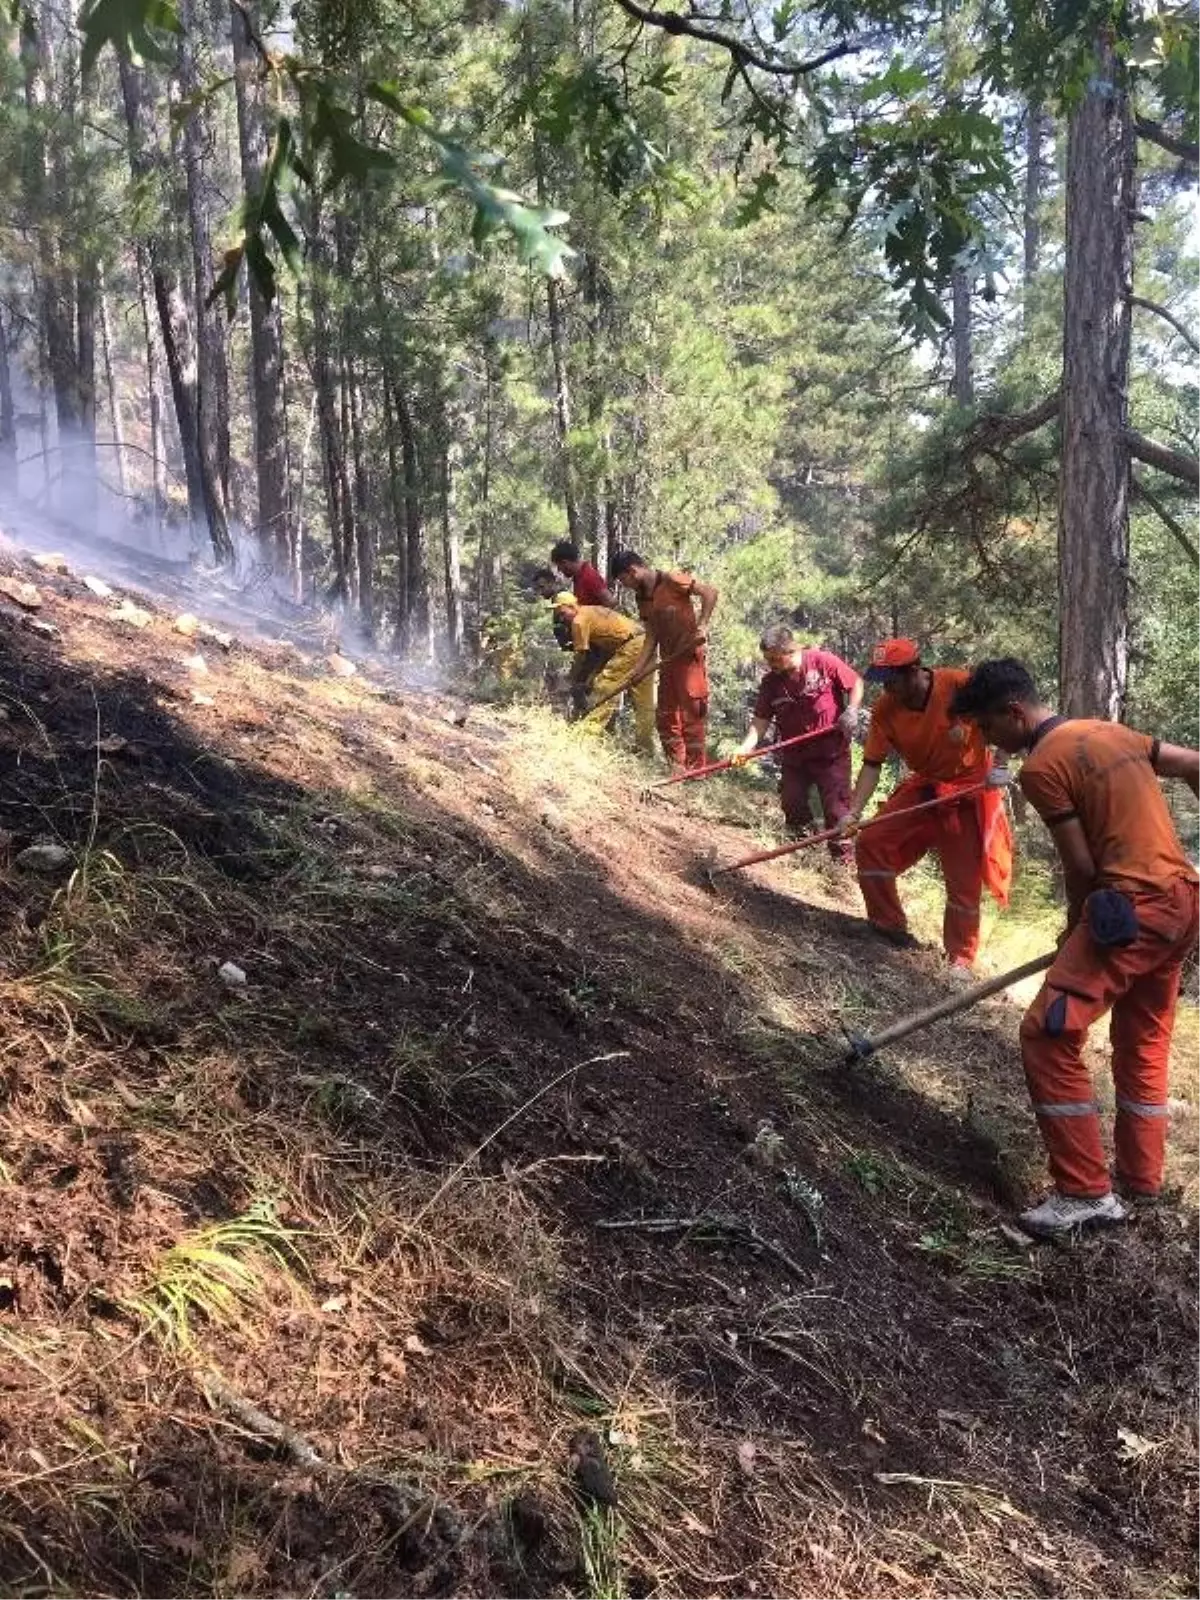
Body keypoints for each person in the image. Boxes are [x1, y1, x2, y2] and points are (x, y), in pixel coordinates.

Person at [950, 658, 1200, 1236]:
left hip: (1132, 910)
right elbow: (1194, 764)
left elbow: (1081, 867)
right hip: (1183, 903)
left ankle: (1085, 1193)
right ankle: (1142, 1184)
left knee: (1047, 1032)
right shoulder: (1112, 732)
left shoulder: (1043, 765)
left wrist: (1073, 932)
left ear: (1014, 712)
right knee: (1142, 1043)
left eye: (988, 729)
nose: (991, 743)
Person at [842, 638, 1013, 968]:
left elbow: (1003, 712)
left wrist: (1002, 766)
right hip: (926, 785)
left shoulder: (957, 685)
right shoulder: (885, 710)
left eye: (892, 680)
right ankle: (886, 924)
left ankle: (960, 960)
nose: (887, 689)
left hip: (969, 790)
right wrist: (853, 811)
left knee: (963, 882)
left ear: (913, 672)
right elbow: (872, 764)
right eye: (882, 681)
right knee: (873, 841)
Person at [731, 625, 863, 863]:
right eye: (767, 659)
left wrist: (852, 710)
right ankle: (805, 849)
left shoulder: (823, 661)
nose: (770, 664)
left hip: (831, 753)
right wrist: (745, 747)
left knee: (837, 810)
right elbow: (760, 721)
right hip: (795, 756)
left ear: (790, 651)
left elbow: (855, 683)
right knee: (792, 801)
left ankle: (843, 862)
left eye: (774, 659)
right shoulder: (771, 683)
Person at [609, 550, 718, 772]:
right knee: (666, 717)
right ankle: (676, 769)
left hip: (688, 658)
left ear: (633, 571)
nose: (625, 585)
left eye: (623, 580)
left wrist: (703, 625)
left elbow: (710, 593)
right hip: (668, 660)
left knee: (692, 715)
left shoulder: (671, 580)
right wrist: (637, 670)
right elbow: (651, 636)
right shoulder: (642, 597)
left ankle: (697, 772)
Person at [550, 592, 656, 752]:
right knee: (644, 701)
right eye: (558, 615)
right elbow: (609, 645)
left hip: (632, 646)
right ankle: (645, 748)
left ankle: (583, 739)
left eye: (562, 613)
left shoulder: (579, 622)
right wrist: (591, 677)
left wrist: (571, 679)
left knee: (605, 688)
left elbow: (581, 656)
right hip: (646, 642)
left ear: (572, 606)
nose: (561, 618)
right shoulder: (590, 610)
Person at [550, 541, 616, 607]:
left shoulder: (589, 576)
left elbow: (611, 602)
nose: (559, 570)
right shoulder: (578, 577)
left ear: (565, 562)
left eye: (559, 567)